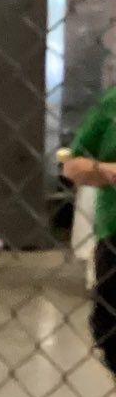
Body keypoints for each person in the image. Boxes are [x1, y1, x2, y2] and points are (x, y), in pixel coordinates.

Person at [63, 86, 116, 376]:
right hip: (114, 237)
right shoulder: (112, 103)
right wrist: (107, 170)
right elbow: (73, 166)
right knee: (109, 333)